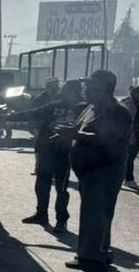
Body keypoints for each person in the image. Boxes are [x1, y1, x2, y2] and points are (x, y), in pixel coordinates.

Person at [61, 70, 132, 272]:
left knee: (95, 215)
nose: (85, 88)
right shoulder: (92, 107)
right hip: (90, 171)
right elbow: (81, 129)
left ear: (103, 87)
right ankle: (100, 252)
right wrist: (68, 132)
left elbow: (107, 138)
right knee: (96, 214)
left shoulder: (117, 111)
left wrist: (76, 135)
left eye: (90, 84)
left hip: (105, 171)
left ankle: (91, 257)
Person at [9, 79, 83, 232]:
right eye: (64, 89)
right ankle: (41, 214)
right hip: (46, 150)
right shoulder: (54, 105)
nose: (63, 91)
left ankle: (61, 221)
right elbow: (31, 113)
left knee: (61, 189)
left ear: (76, 92)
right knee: (41, 185)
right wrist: (6, 117)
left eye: (67, 89)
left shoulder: (83, 108)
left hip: (64, 153)